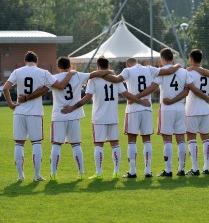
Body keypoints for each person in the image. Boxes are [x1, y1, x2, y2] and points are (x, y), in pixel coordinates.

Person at [22, 57, 114, 180]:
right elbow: (96, 73)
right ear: (70, 65)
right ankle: (81, 173)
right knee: (76, 145)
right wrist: (110, 71)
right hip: (74, 115)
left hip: (59, 115)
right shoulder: (78, 75)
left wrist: (27, 97)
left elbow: (42, 90)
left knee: (56, 145)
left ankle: (53, 174)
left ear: (58, 66)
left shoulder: (54, 77)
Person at [61, 57, 150, 179]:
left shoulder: (94, 80)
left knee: (98, 144)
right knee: (115, 144)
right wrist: (141, 101)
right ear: (108, 67)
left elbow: (87, 98)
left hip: (98, 117)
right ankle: (116, 172)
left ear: (98, 67)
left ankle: (99, 173)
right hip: (112, 116)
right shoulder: (115, 80)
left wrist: (73, 107)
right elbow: (126, 94)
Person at [134, 48, 209, 177]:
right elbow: (187, 91)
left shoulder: (162, 72)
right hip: (180, 108)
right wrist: (175, 99)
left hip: (166, 108)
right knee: (181, 139)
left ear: (162, 58)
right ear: (173, 58)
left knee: (167, 140)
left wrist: (136, 97)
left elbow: (152, 88)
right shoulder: (183, 72)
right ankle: (181, 169)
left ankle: (168, 170)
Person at [2, 51, 75, 182]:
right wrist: (70, 74)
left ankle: (20, 176)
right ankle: (36, 175)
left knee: (19, 144)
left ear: (25, 61)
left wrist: (11, 104)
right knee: (36, 143)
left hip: (19, 112)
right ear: (37, 61)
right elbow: (60, 85)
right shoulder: (43, 72)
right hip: (35, 113)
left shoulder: (17, 71)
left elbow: (6, 88)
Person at [105, 58, 181, 178]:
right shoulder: (149, 69)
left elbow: (116, 79)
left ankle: (133, 171)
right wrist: (177, 65)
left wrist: (101, 73)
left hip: (132, 109)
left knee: (131, 141)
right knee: (147, 140)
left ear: (127, 64)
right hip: (147, 108)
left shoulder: (128, 70)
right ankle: (147, 170)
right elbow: (169, 71)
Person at [184, 49, 209, 175]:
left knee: (191, 138)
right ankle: (205, 168)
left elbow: (187, 89)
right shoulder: (207, 73)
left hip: (192, 109)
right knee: (206, 138)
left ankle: (194, 168)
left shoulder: (189, 73)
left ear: (191, 59)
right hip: (205, 109)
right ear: (201, 59)